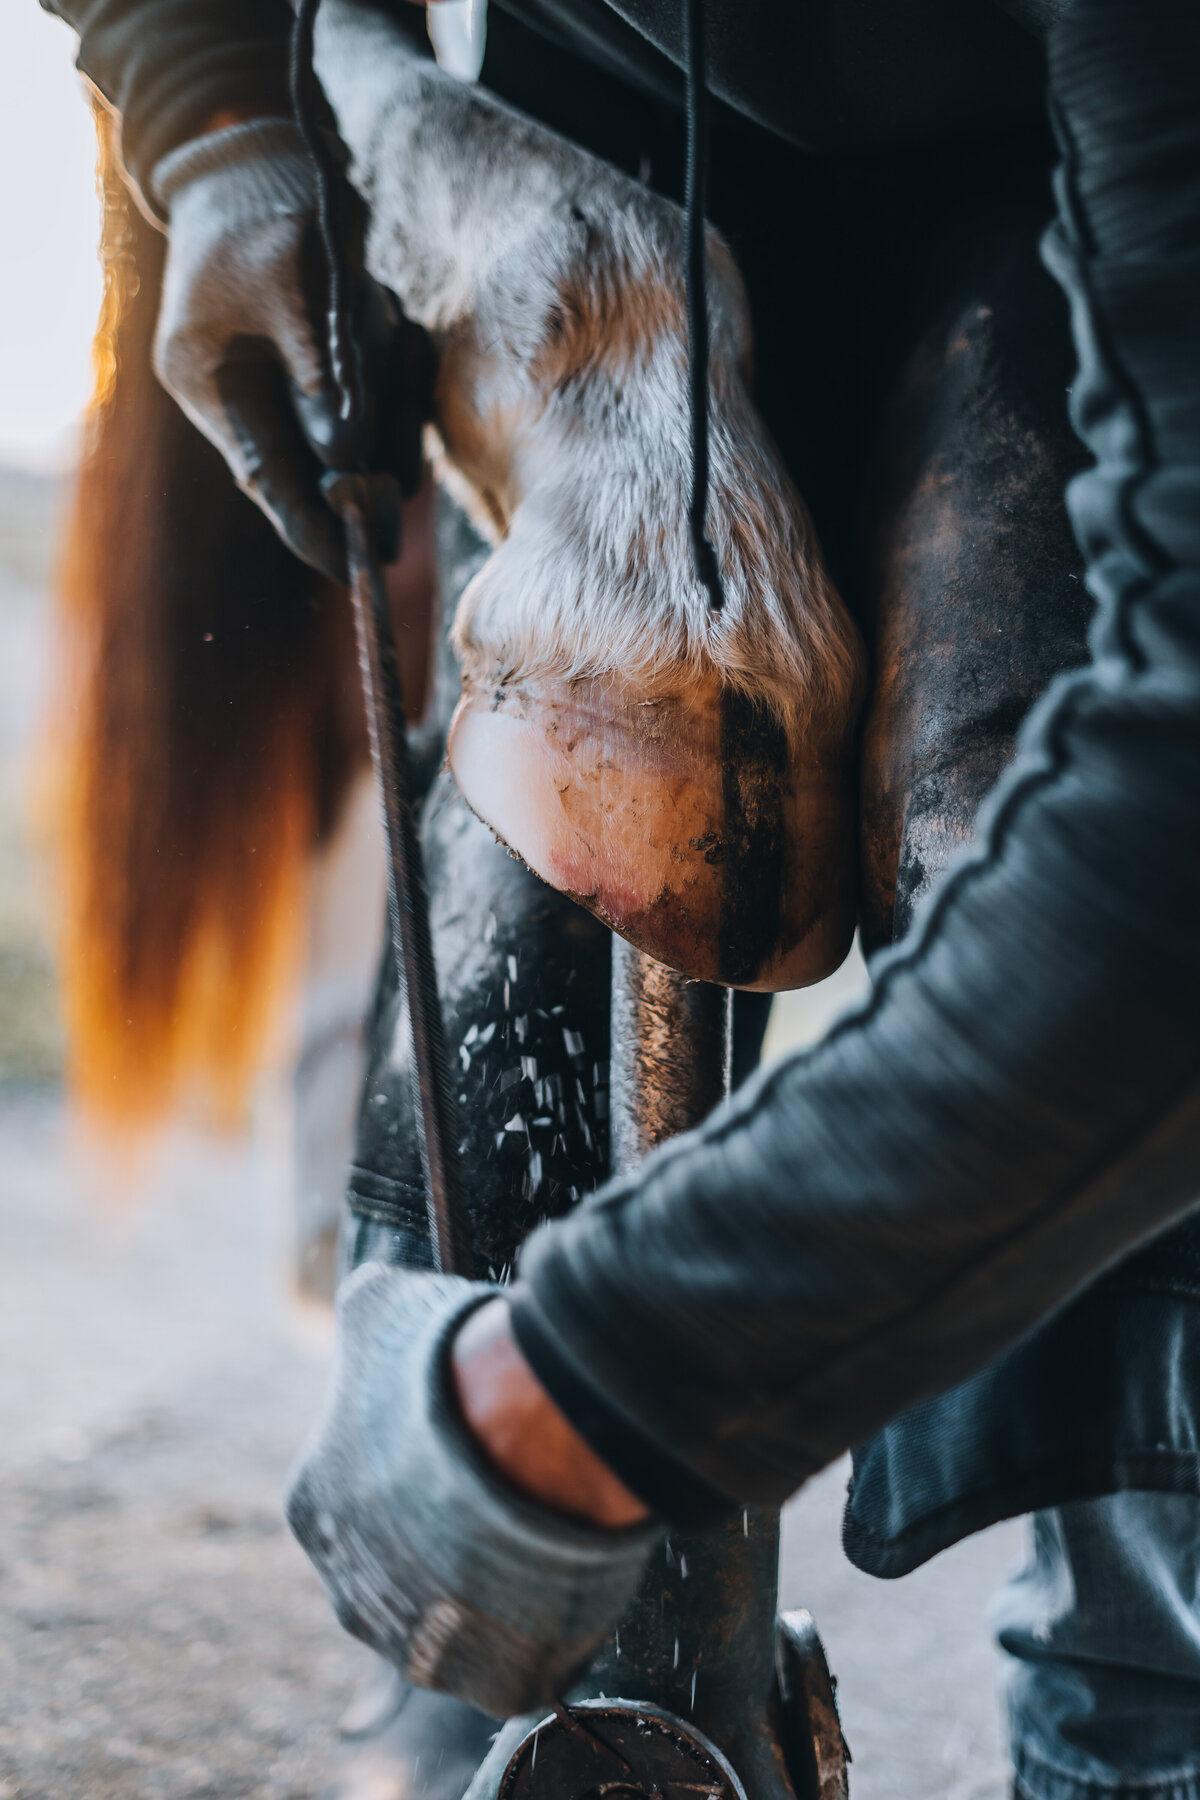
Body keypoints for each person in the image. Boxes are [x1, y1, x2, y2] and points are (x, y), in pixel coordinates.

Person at [41, 0, 1200, 1796]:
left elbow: (1163, 885)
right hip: (602, 132)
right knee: (532, 936)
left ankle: (1146, 1676)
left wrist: (584, 1391)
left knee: (1147, 1389)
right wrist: (202, 99)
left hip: (1072, 155)